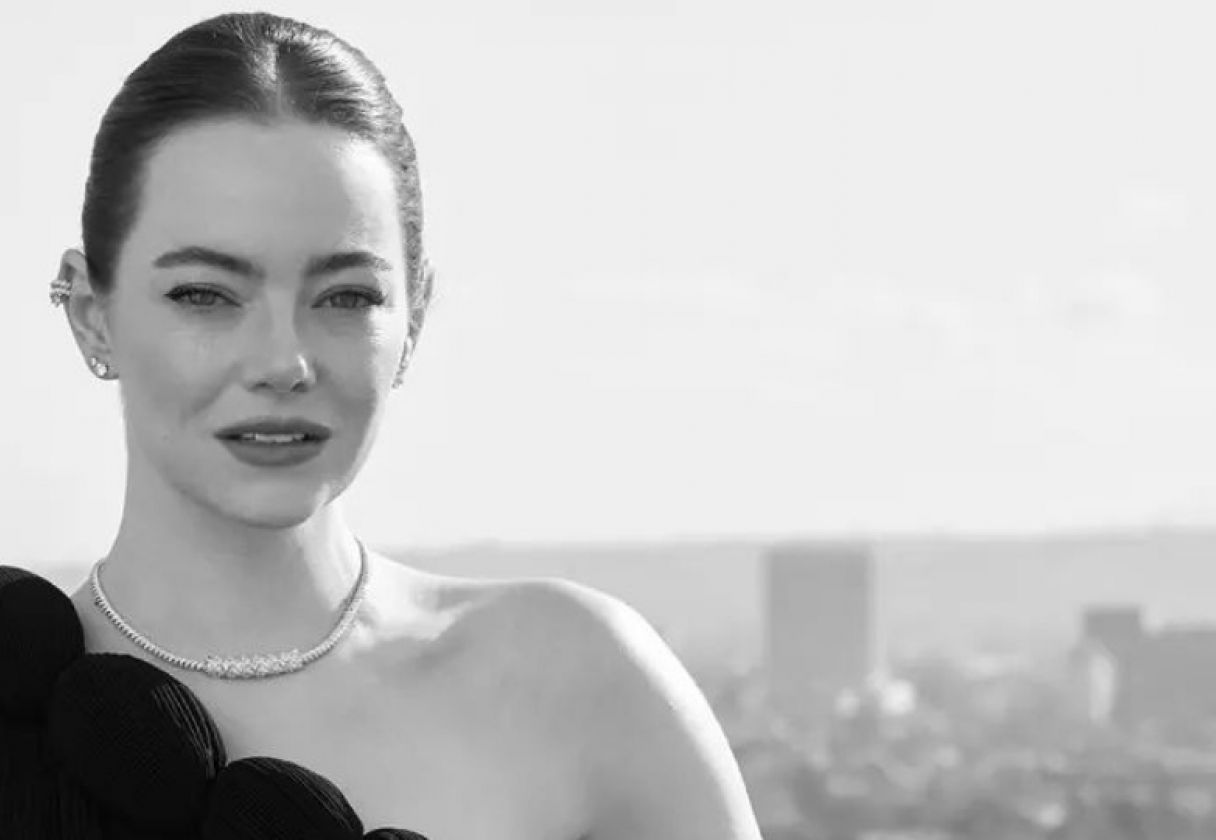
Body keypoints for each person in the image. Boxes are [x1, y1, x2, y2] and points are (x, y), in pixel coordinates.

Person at [46, 11, 761, 839]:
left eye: (345, 296)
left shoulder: (580, 688)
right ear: (91, 313)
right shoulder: (21, 709)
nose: (283, 361)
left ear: (413, 318)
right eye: (205, 294)